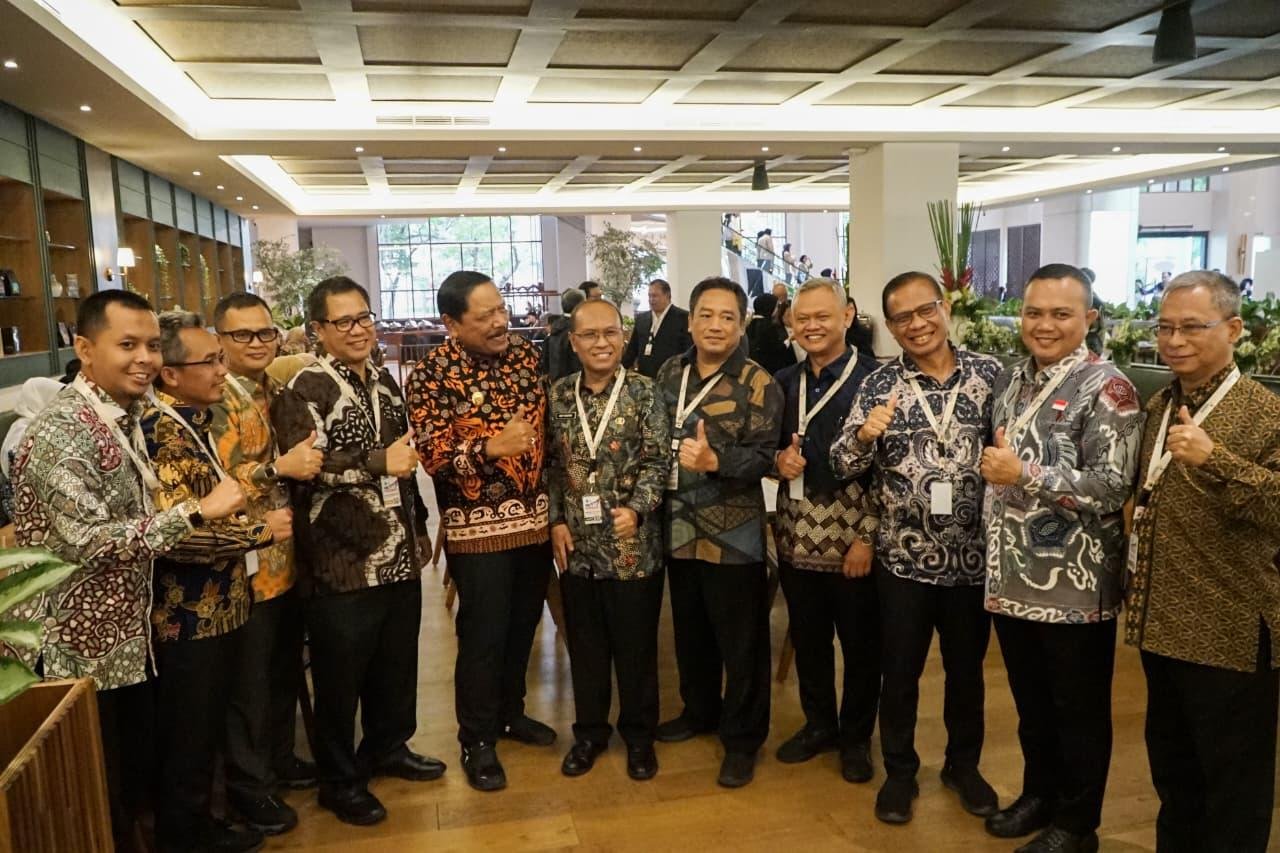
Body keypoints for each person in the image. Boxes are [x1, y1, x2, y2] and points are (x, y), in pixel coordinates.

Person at [6, 290, 246, 852]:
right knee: (93, 797)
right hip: (73, 647)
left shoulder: (125, 415)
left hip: (124, 639)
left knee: (131, 784)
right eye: (128, 345)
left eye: (153, 346)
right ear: (85, 349)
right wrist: (196, 512)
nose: (145, 359)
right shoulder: (62, 430)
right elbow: (87, 541)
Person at [981, 263, 1143, 853]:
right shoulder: (1013, 379)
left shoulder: (1109, 387)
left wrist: (1025, 473)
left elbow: (1112, 485)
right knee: (1031, 704)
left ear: (1089, 319)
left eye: (1060, 314)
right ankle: (1039, 795)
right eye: (1034, 312)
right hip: (1011, 575)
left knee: (1077, 712)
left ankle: (1078, 825)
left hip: (1075, 583)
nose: (1044, 325)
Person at [831, 272, 1002, 827]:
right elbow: (840, 465)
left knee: (966, 673)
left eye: (924, 311)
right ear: (889, 326)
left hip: (974, 561)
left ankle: (962, 766)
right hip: (903, 558)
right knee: (898, 673)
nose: (917, 324)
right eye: (902, 318)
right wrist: (862, 436)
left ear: (944, 307)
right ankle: (900, 773)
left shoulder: (991, 375)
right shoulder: (880, 385)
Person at [273, 276, 443, 828]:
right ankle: (340, 780)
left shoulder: (387, 383)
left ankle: (389, 747)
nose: (359, 329)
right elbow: (305, 469)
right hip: (339, 559)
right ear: (318, 330)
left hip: (395, 549)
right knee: (340, 677)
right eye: (343, 321)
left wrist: (417, 525)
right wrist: (376, 463)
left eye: (364, 317)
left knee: (396, 663)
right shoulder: (303, 387)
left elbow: (406, 461)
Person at [1125, 271, 1280, 853]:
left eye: (1192, 326)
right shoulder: (1162, 402)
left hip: (1230, 630)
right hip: (1161, 621)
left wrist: (1217, 460)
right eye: (1165, 327)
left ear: (1234, 329)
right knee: (1175, 774)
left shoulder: (1265, 412)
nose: (1175, 340)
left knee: (1233, 786)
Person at [143, 311, 291, 853]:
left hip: (224, 602)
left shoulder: (196, 420)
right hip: (188, 614)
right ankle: (187, 836)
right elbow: (181, 531)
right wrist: (260, 532)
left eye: (218, 359)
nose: (220, 371)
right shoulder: (163, 432)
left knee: (206, 728)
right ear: (170, 374)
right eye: (209, 360)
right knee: (189, 734)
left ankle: (206, 823)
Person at [405, 270, 556, 793]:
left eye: (501, 310)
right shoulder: (430, 373)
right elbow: (431, 455)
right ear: (451, 323)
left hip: (534, 521)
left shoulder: (524, 356)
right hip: (477, 530)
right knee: (484, 635)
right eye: (485, 315)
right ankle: (477, 737)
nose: (500, 321)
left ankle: (511, 713)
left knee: (522, 628)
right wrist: (490, 448)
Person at [654, 276, 784, 789]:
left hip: (735, 535)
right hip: (677, 528)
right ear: (690, 321)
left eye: (727, 316)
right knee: (691, 632)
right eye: (706, 314)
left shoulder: (758, 382)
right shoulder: (669, 372)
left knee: (742, 642)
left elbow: (767, 457)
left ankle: (743, 739)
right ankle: (699, 711)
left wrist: (716, 460)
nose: (715, 325)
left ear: (742, 323)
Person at [209, 292, 325, 834]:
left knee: (280, 671)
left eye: (265, 333)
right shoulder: (215, 398)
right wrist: (279, 467)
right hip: (243, 564)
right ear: (220, 341)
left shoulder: (275, 388)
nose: (257, 343)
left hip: (285, 559)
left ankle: (280, 761)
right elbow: (221, 484)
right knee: (248, 686)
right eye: (242, 335)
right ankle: (249, 789)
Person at [546, 298, 670, 781]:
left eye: (611, 333)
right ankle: (590, 734)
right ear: (573, 343)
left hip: (631, 546)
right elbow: (553, 466)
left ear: (624, 337)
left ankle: (640, 738)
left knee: (636, 649)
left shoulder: (645, 391)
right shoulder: (557, 395)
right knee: (587, 649)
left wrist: (638, 510)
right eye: (590, 335)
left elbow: (660, 461)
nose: (602, 342)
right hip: (576, 550)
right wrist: (556, 519)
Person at [771, 278, 881, 783]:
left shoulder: (876, 380)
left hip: (853, 536)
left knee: (860, 645)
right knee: (810, 638)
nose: (811, 326)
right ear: (790, 325)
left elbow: (892, 467)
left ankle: (856, 738)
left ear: (847, 315)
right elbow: (767, 450)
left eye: (822, 316)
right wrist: (778, 460)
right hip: (795, 533)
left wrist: (867, 535)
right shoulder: (782, 381)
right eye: (802, 318)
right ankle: (819, 725)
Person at [621, 278, 691, 379]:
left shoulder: (683, 318)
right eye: (649, 296)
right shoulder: (642, 319)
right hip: (645, 378)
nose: (651, 300)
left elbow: (688, 350)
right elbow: (632, 349)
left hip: (672, 378)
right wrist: (621, 369)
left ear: (667, 296)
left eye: (655, 296)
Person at [745, 293, 795, 375]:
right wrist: (789, 340)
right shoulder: (769, 327)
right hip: (767, 371)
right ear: (769, 307)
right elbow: (777, 349)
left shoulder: (749, 324)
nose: (776, 310)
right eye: (776, 306)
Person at [543, 288, 585, 381]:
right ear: (580, 305)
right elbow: (577, 362)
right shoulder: (576, 329)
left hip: (555, 382)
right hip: (573, 382)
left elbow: (545, 359)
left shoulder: (555, 327)